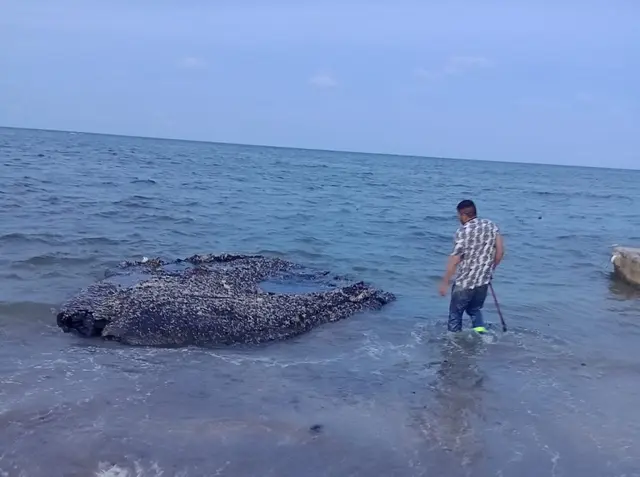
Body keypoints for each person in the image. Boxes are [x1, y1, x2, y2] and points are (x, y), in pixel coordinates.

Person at [438, 199, 504, 333]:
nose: (458, 218)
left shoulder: (462, 232)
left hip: (464, 283)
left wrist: (445, 282)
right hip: (482, 282)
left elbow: (455, 259)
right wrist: (490, 269)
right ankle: (481, 334)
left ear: (463, 215)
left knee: (455, 314)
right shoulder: (490, 225)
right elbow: (500, 252)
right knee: (474, 310)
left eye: (458, 215)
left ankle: (453, 343)